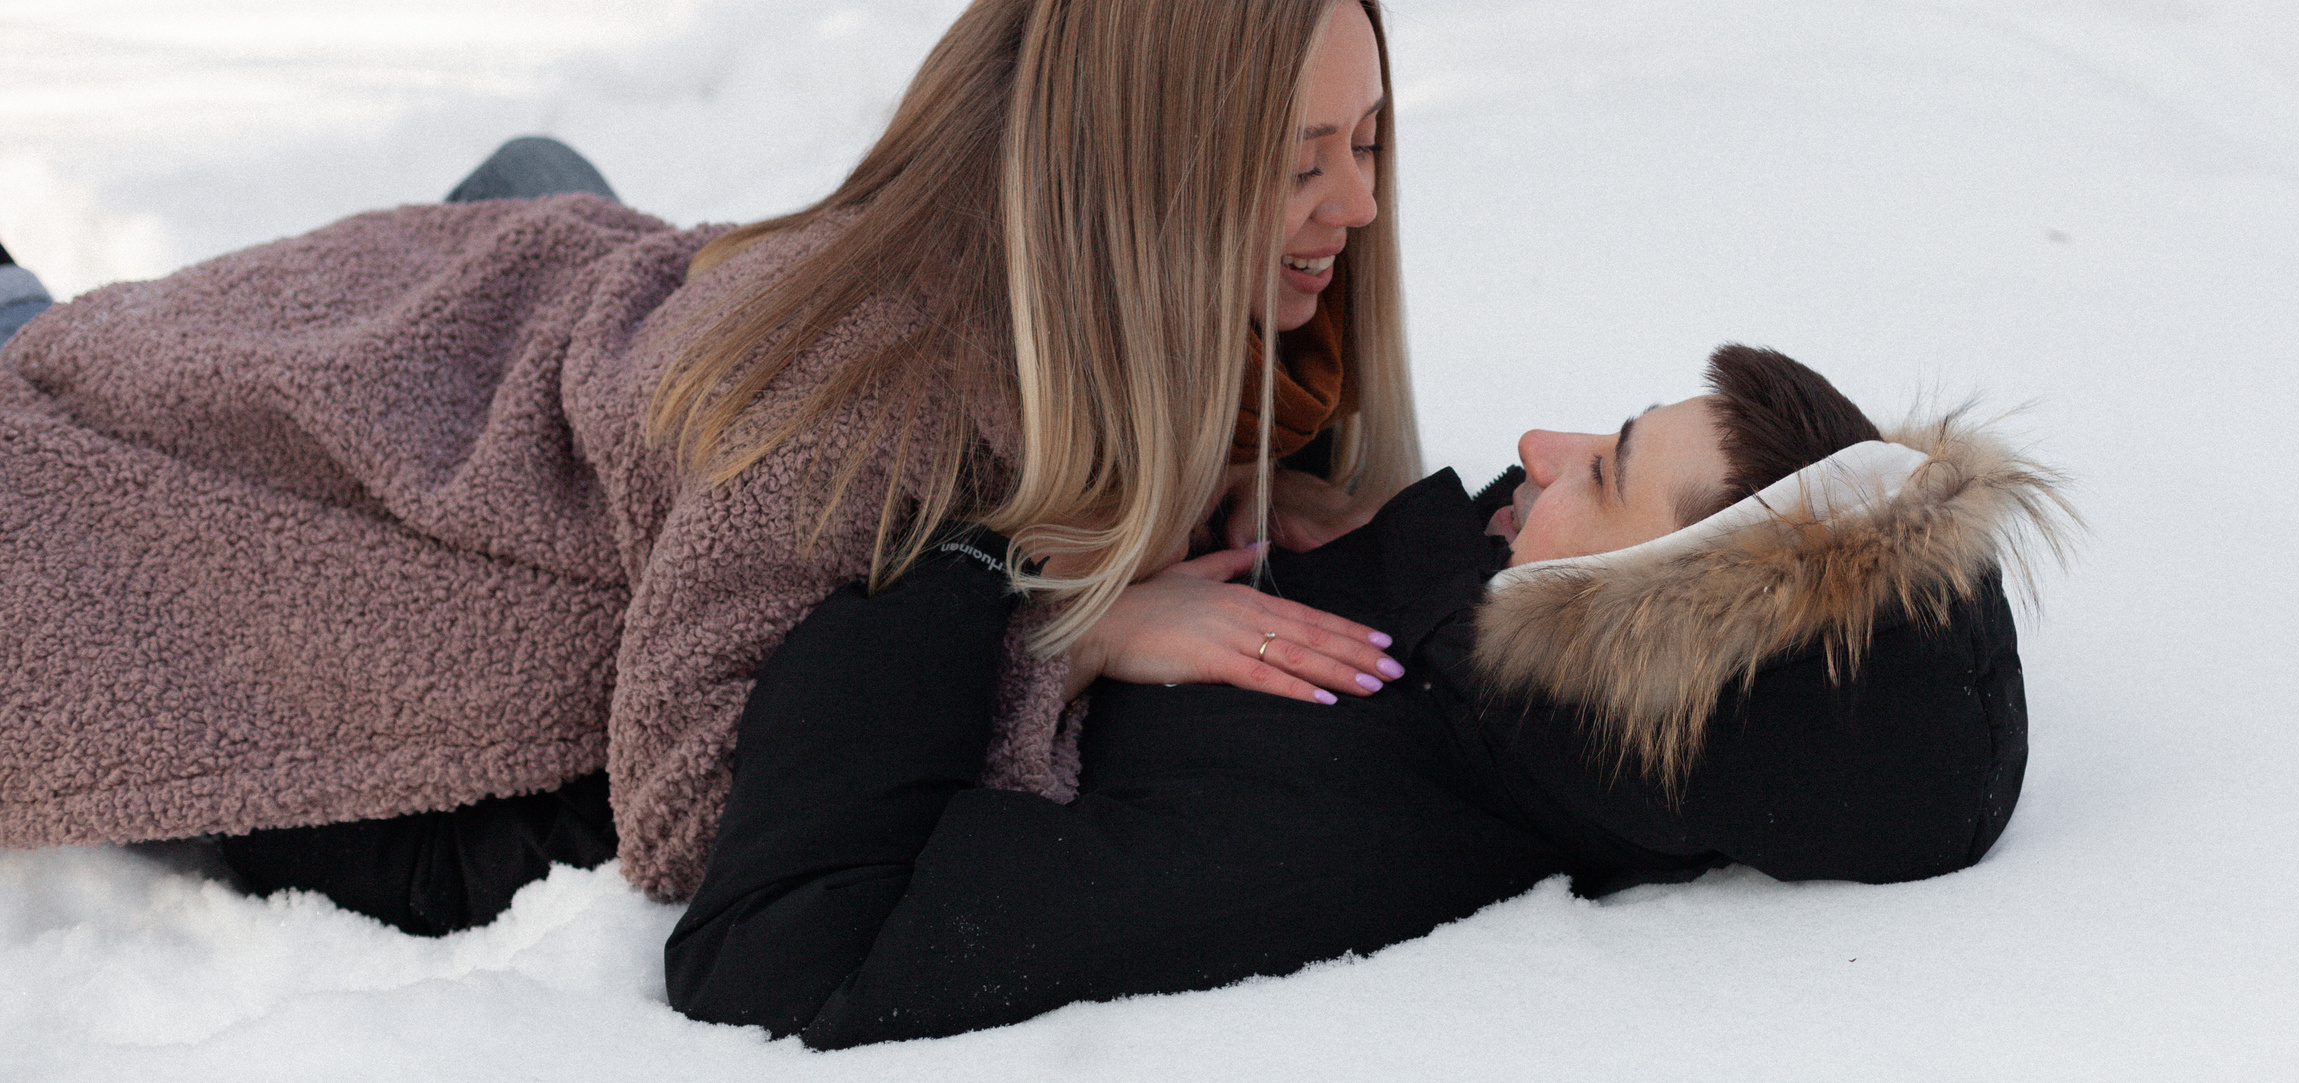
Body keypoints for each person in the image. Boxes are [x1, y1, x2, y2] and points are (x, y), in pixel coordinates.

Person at [0, 0, 1416, 934]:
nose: (1355, 203)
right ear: (1133, 185)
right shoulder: (867, 410)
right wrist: (1072, 638)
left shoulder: (1154, 329)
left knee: (531, 194)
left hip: (497, 340)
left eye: (1364, 144)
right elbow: (691, 805)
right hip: (213, 459)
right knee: (50, 391)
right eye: (1300, 166)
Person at [667, 345, 2075, 1047]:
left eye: (1605, 471)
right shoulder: (1480, 623)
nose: (1537, 442)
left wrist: (1005, 589)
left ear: (1654, 629)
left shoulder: (1333, 835)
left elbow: (786, 955)